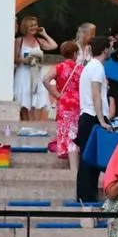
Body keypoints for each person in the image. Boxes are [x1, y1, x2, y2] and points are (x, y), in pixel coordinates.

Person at [75, 36, 113, 203]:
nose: (112, 49)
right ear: (105, 49)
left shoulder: (89, 66)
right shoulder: (97, 67)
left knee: (87, 159)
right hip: (93, 117)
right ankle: (87, 196)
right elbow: (96, 94)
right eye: (110, 47)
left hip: (87, 116)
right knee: (90, 161)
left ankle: (85, 195)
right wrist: (102, 121)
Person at [43, 41, 82, 173]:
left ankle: (71, 162)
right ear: (75, 53)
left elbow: (45, 79)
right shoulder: (80, 68)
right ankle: (76, 164)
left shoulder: (59, 67)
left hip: (64, 103)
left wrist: (57, 95)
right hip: (78, 103)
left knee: (66, 131)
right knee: (75, 132)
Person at [13, 16, 58, 120]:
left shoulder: (38, 40)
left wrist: (44, 34)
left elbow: (53, 45)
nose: (34, 27)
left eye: (35, 25)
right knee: (24, 100)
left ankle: (33, 124)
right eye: (31, 25)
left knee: (35, 100)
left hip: (36, 73)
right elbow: (15, 58)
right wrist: (24, 60)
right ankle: (25, 123)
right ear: (25, 27)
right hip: (24, 74)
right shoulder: (19, 41)